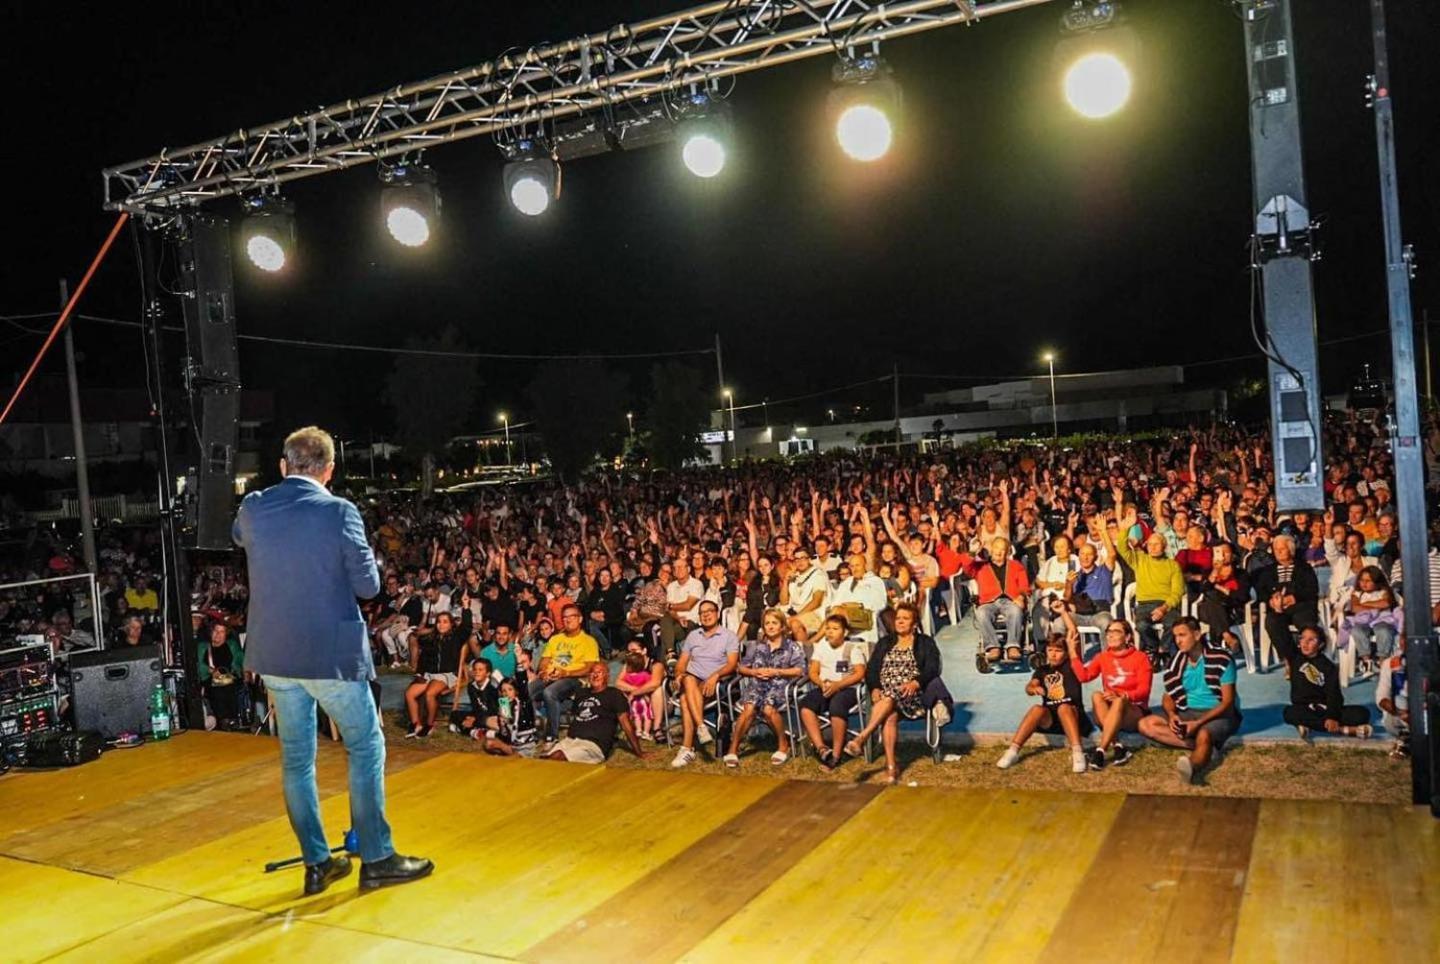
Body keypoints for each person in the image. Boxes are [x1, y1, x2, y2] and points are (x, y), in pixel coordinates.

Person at [233, 425, 430, 894]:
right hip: (330, 655)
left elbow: (239, 534)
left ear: (283, 466)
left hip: (275, 656)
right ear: (329, 471)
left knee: (297, 761)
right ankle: (378, 857)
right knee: (365, 747)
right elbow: (369, 587)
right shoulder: (340, 511)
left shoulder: (254, 507)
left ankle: (317, 863)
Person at [848, 602, 954, 784]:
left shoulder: (925, 642)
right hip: (885, 694)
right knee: (889, 713)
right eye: (898, 618)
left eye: (905, 619)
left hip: (912, 695)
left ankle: (862, 737)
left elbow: (932, 668)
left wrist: (915, 682)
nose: (900, 622)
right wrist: (874, 687)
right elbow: (872, 669)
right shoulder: (885, 642)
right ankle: (891, 765)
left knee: (889, 700)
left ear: (914, 623)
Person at [1138, 617, 1242, 785]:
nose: (1178, 640)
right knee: (1145, 724)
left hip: (1218, 713)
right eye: (1175, 636)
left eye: (1182, 635)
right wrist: (1172, 715)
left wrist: (1198, 723)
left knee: (1204, 733)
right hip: (1188, 711)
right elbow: (1169, 696)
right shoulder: (1176, 663)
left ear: (1197, 634)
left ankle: (1192, 765)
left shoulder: (1222, 659)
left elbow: (1227, 702)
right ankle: (1206, 748)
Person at [1062, 609, 1151, 770]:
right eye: (1108, 632)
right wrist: (1072, 651)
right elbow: (1084, 677)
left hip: (1133, 710)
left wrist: (1121, 695)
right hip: (1109, 711)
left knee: (1118, 701)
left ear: (1128, 637)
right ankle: (1117, 745)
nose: (1109, 635)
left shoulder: (1140, 658)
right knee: (1097, 695)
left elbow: (1144, 691)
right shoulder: (1103, 657)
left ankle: (1101, 750)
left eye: (1116, 632)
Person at [995, 633, 1093, 773]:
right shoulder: (1042, 670)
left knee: (1064, 708)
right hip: (1051, 719)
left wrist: (1064, 613)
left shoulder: (1071, 665)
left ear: (1066, 653)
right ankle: (1013, 751)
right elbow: (1029, 687)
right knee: (1036, 709)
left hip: (1074, 717)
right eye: (1050, 650)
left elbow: (1073, 632)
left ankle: (1078, 753)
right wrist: (1033, 688)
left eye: (1058, 651)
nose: (1053, 654)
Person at [723, 608, 806, 767]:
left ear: (782, 626)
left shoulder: (792, 647)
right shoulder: (756, 646)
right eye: (767, 623)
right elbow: (740, 668)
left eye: (774, 623)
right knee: (749, 709)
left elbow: (800, 670)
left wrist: (777, 671)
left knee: (768, 708)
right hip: (758, 683)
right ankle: (733, 749)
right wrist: (754, 671)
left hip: (780, 684)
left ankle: (783, 745)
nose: (770, 626)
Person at [1106, 501, 1183, 664]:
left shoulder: (1172, 565)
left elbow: (1177, 592)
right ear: (1147, 546)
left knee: (1174, 623)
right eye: (1151, 544)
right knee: (1141, 626)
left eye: (1158, 544)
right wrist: (1126, 528)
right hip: (1144, 604)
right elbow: (1122, 547)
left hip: (1166, 604)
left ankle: (1163, 650)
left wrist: (1164, 608)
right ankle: (1155, 648)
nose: (1154, 547)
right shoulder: (1140, 559)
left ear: (1164, 547)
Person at [669, 600, 741, 768]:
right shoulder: (693, 636)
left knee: (686, 699)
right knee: (687, 680)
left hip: (716, 684)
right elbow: (682, 662)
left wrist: (715, 676)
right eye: (702, 613)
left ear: (717, 613)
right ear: (699, 617)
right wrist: (678, 675)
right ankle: (700, 727)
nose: (706, 615)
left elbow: (731, 664)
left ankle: (687, 748)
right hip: (693, 679)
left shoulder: (729, 636)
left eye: (710, 611)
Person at [798, 614, 868, 769]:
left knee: (837, 706)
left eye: (835, 629)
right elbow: (813, 672)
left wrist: (838, 685)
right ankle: (821, 748)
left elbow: (859, 673)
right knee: (806, 705)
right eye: (828, 628)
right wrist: (822, 684)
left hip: (847, 688)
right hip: (825, 686)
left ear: (845, 632)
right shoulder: (821, 648)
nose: (830, 632)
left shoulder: (852, 648)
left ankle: (836, 755)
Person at [529, 604, 601, 747]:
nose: (567, 620)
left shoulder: (589, 641)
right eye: (564, 617)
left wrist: (566, 673)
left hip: (574, 678)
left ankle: (551, 735)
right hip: (552, 674)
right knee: (527, 690)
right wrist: (544, 672)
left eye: (571, 617)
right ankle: (534, 725)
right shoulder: (556, 639)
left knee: (550, 692)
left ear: (579, 619)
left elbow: (589, 668)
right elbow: (545, 660)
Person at [1283, 626, 1372, 741]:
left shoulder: (1328, 667)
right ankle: (1345, 730)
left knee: (1362, 713)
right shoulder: (1295, 657)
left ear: (1320, 645)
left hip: (1325, 708)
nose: (1305, 643)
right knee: (1289, 712)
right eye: (1302, 638)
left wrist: (1332, 717)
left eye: (1311, 640)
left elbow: (1334, 694)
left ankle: (1310, 726)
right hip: (1304, 708)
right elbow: (1280, 634)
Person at [546, 662, 645, 764]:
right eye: (592, 672)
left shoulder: (614, 694)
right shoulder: (582, 693)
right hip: (570, 741)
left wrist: (639, 752)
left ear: (607, 676)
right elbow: (576, 716)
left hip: (593, 745)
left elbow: (625, 724)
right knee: (544, 760)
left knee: (557, 758)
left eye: (599, 672)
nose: (595, 675)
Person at [1252, 533, 1320, 666]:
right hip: (1277, 608)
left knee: (1304, 621)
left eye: (1282, 549)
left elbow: (1312, 590)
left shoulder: (1304, 568)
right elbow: (1261, 592)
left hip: (1300, 606)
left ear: (1291, 550)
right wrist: (1270, 601)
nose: (1278, 552)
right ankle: (1291, 660)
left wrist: (1294, 598)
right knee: (1273, 622)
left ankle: (1311, 658)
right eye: (1276, 549)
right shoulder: (1267, 571)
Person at [403, 608, 472, 738]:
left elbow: (467, 627)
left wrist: (466, 607)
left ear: (451, 624)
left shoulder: (456, 638)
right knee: (409, 693)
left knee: (430, 693)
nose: (441, 624)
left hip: (447, 674)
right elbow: (423, 660)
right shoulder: (430, 640)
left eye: (445, 622)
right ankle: (415, 723)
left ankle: (429, 725)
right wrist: (419, 674)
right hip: (429, 674)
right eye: (439, 622)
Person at [1339, 565, 1402, 671]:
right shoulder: (1357, 593)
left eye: (1368, 581)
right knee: (1357, 630)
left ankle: (1383, 660)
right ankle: (1366, 660)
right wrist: (1375, 606)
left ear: (1377, 582)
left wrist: (1366, 604)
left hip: (1382, 620)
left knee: (1384, 630)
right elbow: (1355, 608)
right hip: (1364, 621)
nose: (1364, 583)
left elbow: (1385, 603)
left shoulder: (1384, 592)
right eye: (1362, 580)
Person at [197, 620, 245, 728]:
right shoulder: (202, 647)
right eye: (216, 631)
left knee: (228, 686)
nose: (218, 634)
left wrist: (246, 671)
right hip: (210, 680)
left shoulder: (232, 645)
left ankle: (229, 719)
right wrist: (210, 670)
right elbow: (198, 665)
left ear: (225, 634)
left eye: (222, 631)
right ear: (211, 632)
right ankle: (225, 720)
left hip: (231, 679)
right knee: (218, 689)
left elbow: (242, 659)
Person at [448, 657, 500, 739]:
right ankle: (475, 731)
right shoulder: (471, 686)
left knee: (487, 721)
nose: (477, 672)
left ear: (488, 673)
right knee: (454, 714)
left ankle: (466, 730)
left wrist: (474, 719)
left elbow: (493, 710)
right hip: (478, 714)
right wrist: (472, 717)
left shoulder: (493, 687)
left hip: (491, 716)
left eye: (480, 670)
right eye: (475, 669)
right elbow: (475, 707)